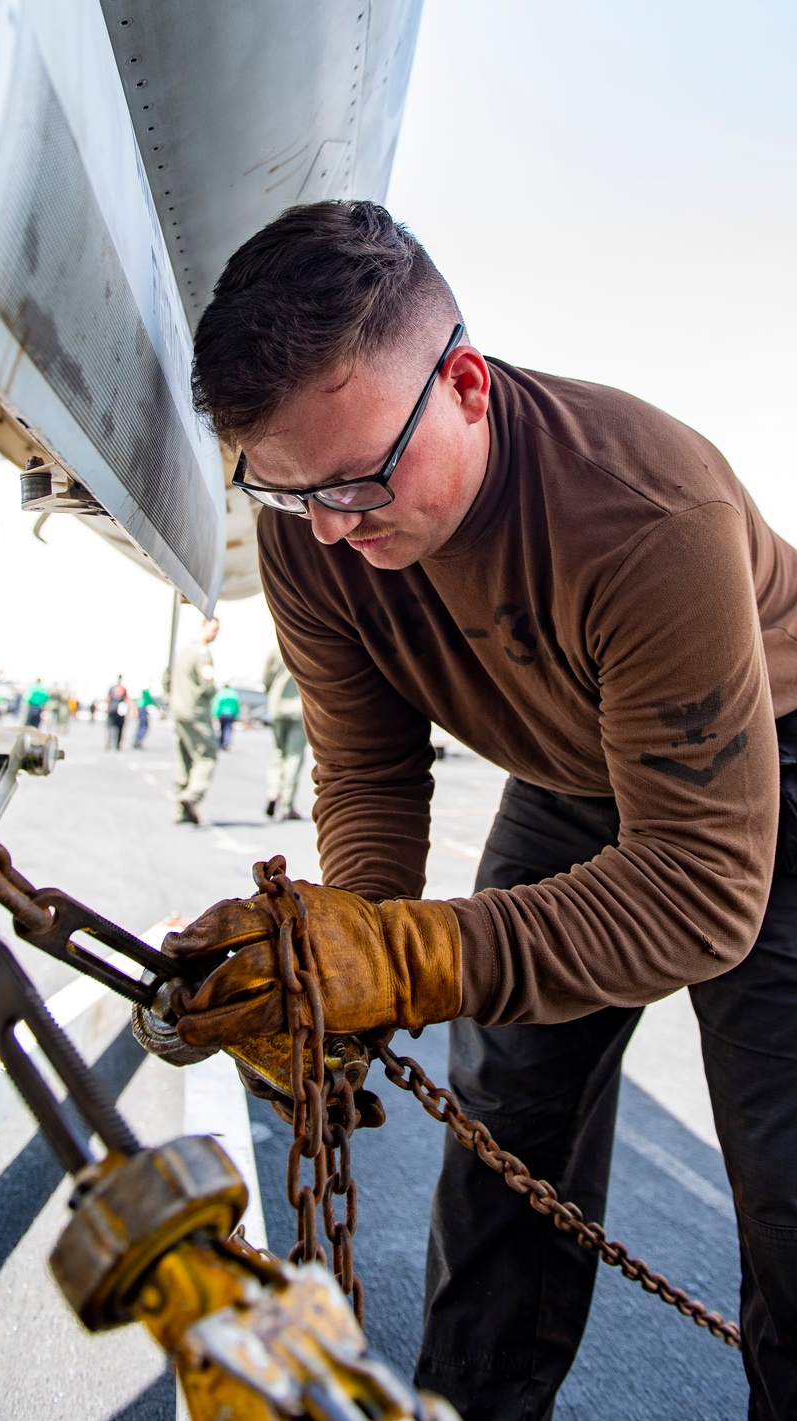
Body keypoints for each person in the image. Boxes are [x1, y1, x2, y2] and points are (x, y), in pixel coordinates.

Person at [166, 201, 797, 1421]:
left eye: (356, 480)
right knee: (503, 1126)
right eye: (291, 493)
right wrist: (345, 942)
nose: (334, 530)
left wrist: (403, 959)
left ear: (464, 383)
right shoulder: (310, 522)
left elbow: (697, 888)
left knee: (786, 1181)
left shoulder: (645, 508)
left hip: (763, 768)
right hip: (569, 773)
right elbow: (367, 770)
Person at [170, 617, 220, 824]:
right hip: (196, 711)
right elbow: (207, 685)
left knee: (183, 758)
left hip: (178, 709)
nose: (215, 634)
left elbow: (166, 678)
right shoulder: (202, 654)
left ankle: (179, 811)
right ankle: (192, 795)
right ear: (204, 626)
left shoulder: (183, 653)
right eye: (214, 629)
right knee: (207, 755)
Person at [263, 647, 306, 819]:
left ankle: (273, 791)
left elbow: (266, 678)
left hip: (277, 707)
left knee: (278, 752)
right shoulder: (305, 644)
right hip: (298, 709)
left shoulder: (276, 650)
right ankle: (287, 805)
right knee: (294, 757)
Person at [211, 684, 240, 750]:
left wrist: (214, 715)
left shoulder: (220, 693)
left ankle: (220, 743)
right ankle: (226, 743)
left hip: (221, 713)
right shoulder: (234, 694)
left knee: (221, 728)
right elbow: (237, 705)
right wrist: (237, 715)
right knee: (228, 729)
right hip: (231, 713)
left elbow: (216, 705)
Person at [105, 675, 129, 750]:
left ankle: (110, 743)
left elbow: (108, 699)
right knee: (119, 729)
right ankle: (117, 744)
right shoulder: (123, 689)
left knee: (111, 728)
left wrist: (107, 708)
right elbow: (126, 699)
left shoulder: (112, 688)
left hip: (113, 710)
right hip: (119, 711)